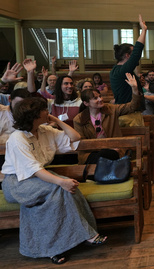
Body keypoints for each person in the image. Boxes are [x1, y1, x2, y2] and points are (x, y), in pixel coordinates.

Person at [1, 97, 107, 265]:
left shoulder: (45, 131)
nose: (47, 112)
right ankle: (88, 235)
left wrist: (56, 120)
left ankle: (55, 248)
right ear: (33, 115)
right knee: (60, 187)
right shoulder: (18, 138)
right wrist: (60, 182)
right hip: (17, 183)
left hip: (39, 178)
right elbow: (33, 169)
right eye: (44, 110)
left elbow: (75, 137)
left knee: (61, 190)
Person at [73, 73, 141, 164]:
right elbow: (81, 142)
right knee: (101, 156)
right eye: (95, 98)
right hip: (91, 153)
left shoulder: (111, 109)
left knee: (108, 154)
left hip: (114, 150)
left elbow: (133, 106)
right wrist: (101, 145)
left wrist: (134, 88)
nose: (100, 99)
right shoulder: (79, 119)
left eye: (100, 96)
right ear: (86, 103)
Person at [110, 14, 146, 126]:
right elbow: (137, 54)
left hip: (127, 112)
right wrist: (144, 30)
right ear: (127, 56)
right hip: (129, 115)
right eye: (132, 52)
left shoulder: (116, 70)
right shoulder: (122, 70)